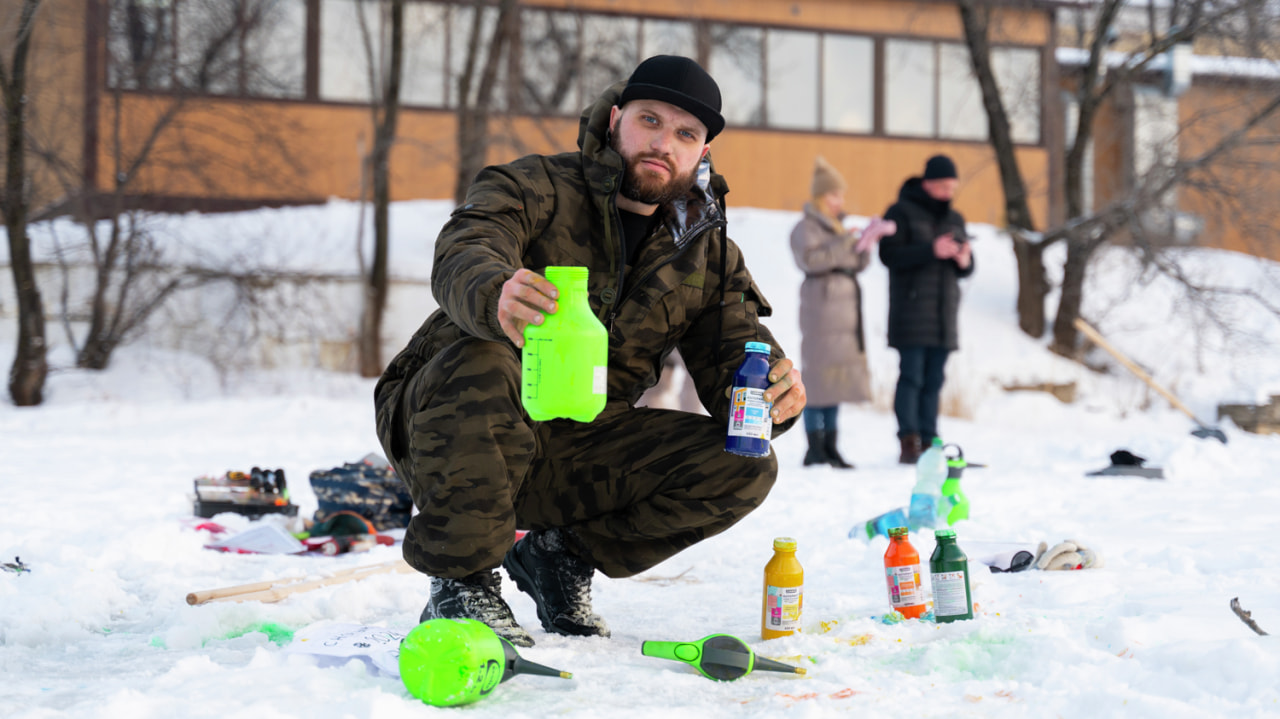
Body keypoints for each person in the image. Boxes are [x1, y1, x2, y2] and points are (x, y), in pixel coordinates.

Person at [373, 55, 806, 647]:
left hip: (573, 443)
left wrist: (774, 393)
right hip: (449, 424)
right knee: (489, 358)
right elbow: (466, 247)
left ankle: (559, 558)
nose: (664, 143)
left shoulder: (706, 254)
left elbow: (740, 357)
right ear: (614, 120)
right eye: (649, 121)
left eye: (685, 134)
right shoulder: (532, 186)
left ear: (702, 152)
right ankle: (462, 582)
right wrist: (494, 290)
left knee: (743, 463)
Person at [789, 157, 894, 469]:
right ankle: (814, 446)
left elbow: (857, 265)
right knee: (818, 379)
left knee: (834, 381)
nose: (840, 202)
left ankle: (831, 447)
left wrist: (864, 245)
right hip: (821, 312)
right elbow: (812, 260)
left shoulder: (838, 226)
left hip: (845, 315)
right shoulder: (805, 228)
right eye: (835, 195)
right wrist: (846, 241)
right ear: (821, 196)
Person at [879, 154, 974, 464]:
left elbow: (965, 268)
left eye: (953, 187)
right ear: (928, 183)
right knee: (912, 378)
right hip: (912, 312)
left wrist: (964, 261)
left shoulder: (955, 219)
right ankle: (908, 441)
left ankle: (931, 440)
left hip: (944, 313)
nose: (949, 193)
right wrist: (931, 250)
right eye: (945, 186)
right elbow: (889, 255)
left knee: (935, 381)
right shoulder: (901, 212)